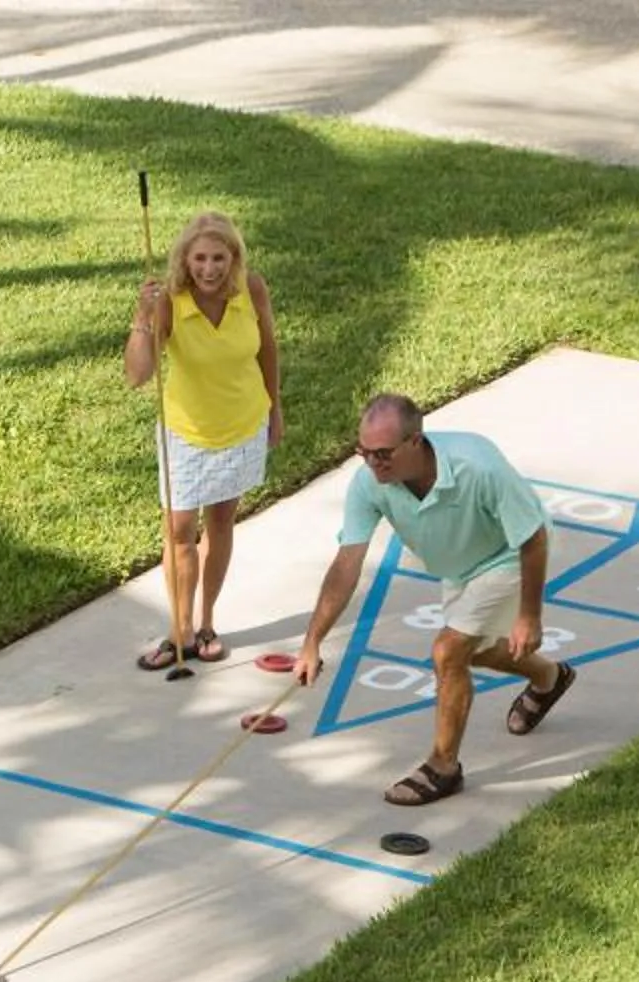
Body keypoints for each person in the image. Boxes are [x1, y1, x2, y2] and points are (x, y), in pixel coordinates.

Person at [293, 394, 576, 805]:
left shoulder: (477, 467)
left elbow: (532, 539)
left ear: (416, 442)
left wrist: (529, 617)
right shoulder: (368, 483)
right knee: (473, 653)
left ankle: (443, 767)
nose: (374, 464)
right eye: (364, 453)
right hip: (461, 567)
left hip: (509, 556)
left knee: (448, 652)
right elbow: (346, 564)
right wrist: (312, 640)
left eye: (384, 454)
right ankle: (550, 677)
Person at [123, 210, 282, 670]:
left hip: (241, 422)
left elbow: (267, 347)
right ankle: (180, 630)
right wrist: (142, 317)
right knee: (178, 531)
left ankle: (207, 623)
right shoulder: (170, 301)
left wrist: (275, 409)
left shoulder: (251, 289)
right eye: (199, 259)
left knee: (221, 522)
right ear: (184, 260)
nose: (209, 269)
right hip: (188, 432)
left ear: (233, 258)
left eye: (218, 258)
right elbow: (137, 375)